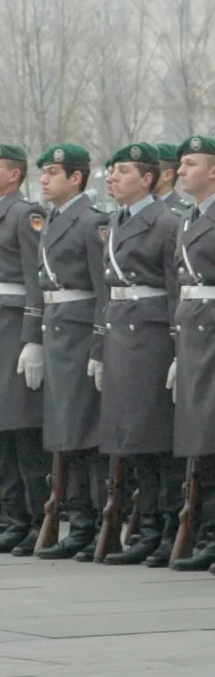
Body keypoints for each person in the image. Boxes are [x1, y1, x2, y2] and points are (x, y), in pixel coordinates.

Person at [99, 142, 182, 566]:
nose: (112, 177)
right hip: (119, 331)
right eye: (111, 170)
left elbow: (176, 291)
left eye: (123, 170)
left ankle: (165, 528)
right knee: (131, 438)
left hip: (150, 336)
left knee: (156, 438)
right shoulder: (115, 220)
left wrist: (178, 348)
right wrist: (99, 347)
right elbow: (105, 289)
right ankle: (146, 526)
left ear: (148, 179)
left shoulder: (166, 222)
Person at [0, 144, 48, 557]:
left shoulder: (23, 213)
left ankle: (36, 519)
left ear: (14, 175)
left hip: (13, 326)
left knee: (22, 431)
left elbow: (35, 278)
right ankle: (13, 518)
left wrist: (33, 336)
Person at [32, 144, 109, 561]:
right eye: (43, 172)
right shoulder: (54, 220)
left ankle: (91, 522)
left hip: (79, 334)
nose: (44, 179)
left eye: (53, 172)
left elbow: (103, 289)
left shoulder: (90, 222)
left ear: (76, 178)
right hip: (57, 332)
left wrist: (99, 343)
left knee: (84, 433)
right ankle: (78, 518)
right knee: (65, 432)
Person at [171, 136, 215, 572]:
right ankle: (205, 532)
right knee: (200, 437)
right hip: (193, 332)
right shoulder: (186, 219)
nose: (181, 171)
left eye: (190, 164)